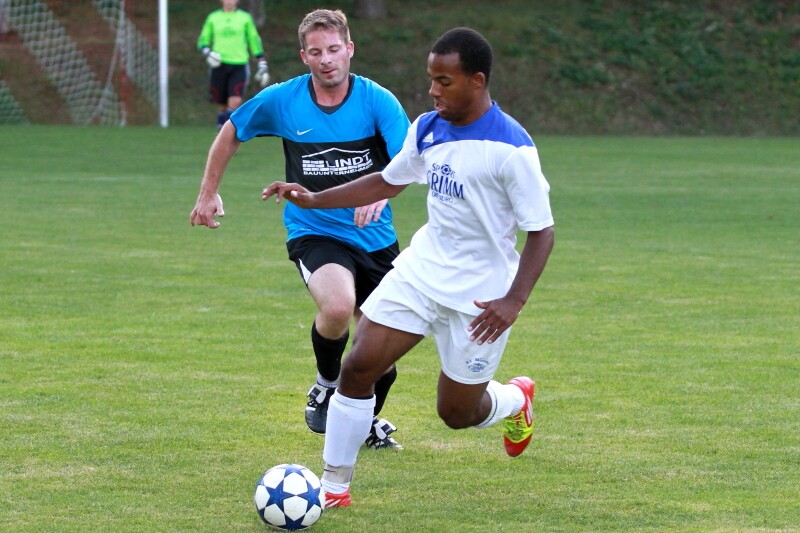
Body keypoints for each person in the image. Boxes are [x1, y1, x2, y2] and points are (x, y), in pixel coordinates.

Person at [263, 27, 555, 508]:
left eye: (444, 81)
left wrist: (514, 301)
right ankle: (334, 487)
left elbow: (541, 231)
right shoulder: (428, 128)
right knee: (358, 366)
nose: (433, 90)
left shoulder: (512, 149)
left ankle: (514, 400)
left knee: (456, 414)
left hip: (480, 295)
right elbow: (387, 180)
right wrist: (314, 198)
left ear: (477, 81)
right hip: (421, 272)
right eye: (431, 79)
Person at [190, 9, 411, 450]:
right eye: (316, 51)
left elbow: (410, 159)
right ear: (304, 56)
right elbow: (232, 130)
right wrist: (207, 192)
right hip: (314, 229)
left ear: (349, 50)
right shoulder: (284, 100)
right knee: (337, 305)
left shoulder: (377, 101)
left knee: (380, 356)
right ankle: (326, 384)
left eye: (334, 49)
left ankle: (363, 424)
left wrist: (383, 191)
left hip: (376, 238)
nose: (326, 59)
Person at [197, 0, 270, 129]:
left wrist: (261, 61)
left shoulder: (245, 18)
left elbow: (253, 39)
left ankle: (227, 133)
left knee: (235, 100)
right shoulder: (213, 17)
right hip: (219, 65)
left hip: (239, 64)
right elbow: (203, 39)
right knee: (222, 104)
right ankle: (221, 131)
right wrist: (207, 51)